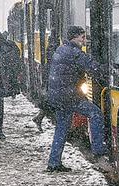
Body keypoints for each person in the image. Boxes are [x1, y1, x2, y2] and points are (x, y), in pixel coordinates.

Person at [46, 26, 107, 172]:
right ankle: (99, 153)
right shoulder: (74, 53)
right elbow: (92, 67)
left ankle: (54, 163)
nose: (84, 40)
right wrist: (108, 70)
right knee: (96, 114)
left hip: (58, 96)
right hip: (69, 96)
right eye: (82, 37)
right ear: (75, 38)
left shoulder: (61, 49)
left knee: (61, 129)